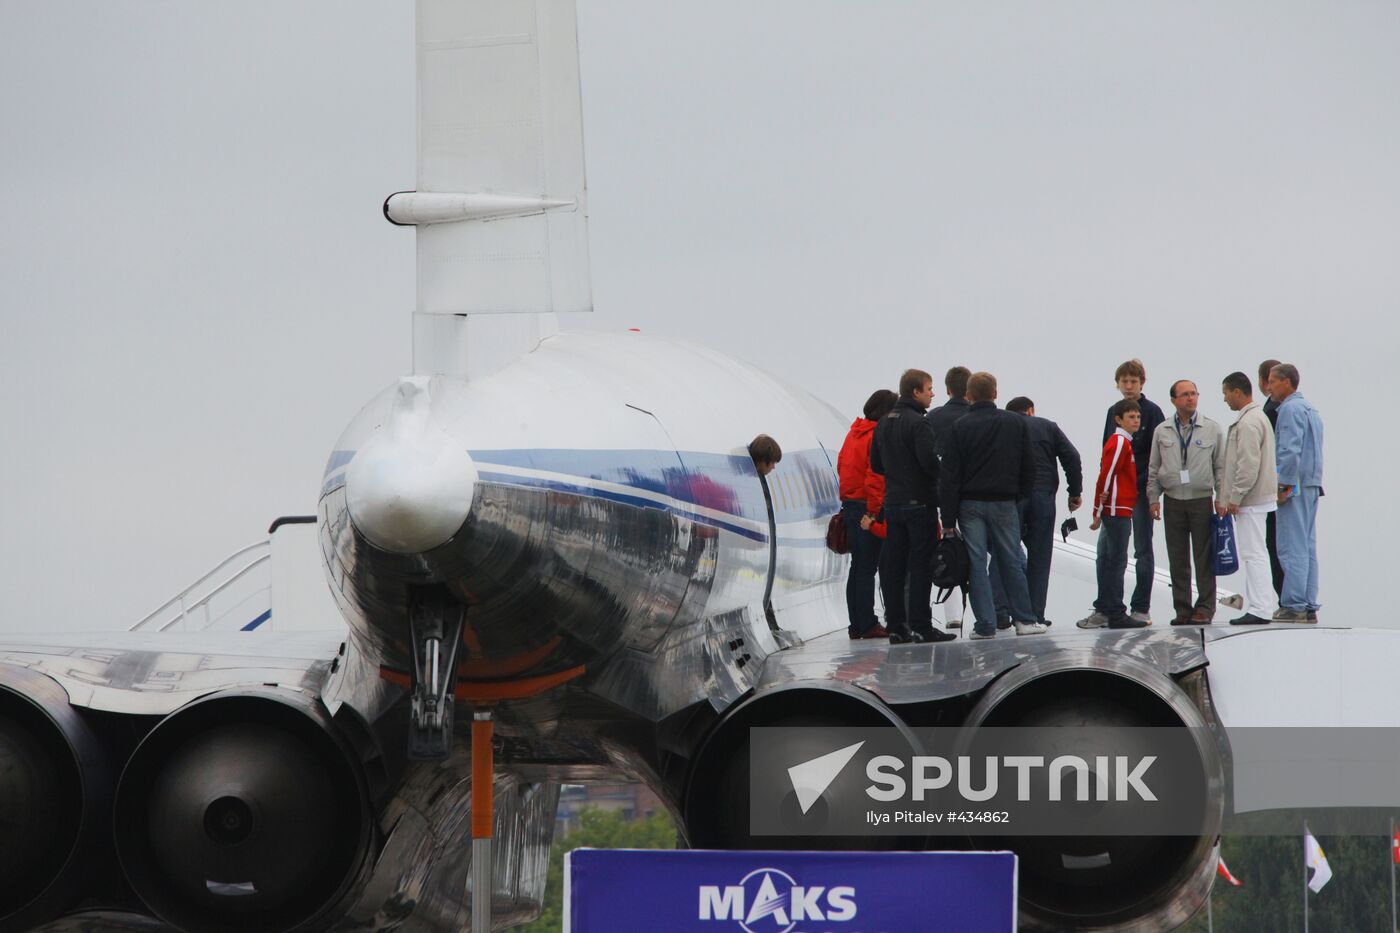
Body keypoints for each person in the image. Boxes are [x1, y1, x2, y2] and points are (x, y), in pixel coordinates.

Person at [939, 372, 1046, 639]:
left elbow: (950, 475)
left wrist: (948, 519)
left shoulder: (960, 427)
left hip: (969, 504)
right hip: (1004, 502)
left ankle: (985, 625)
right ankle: (1024, 620)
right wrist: (1018, 496)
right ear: (995, 393)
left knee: (976, 563)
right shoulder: (1015, 423)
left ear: (969, 396)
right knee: (1010, 560)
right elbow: (1029, 466)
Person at [869, 369, 956, 644]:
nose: (933, 393)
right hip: (920, 504)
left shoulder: (884, 423)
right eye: (929, 389)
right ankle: (921, 625)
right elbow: (929, 464)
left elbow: (876, 465)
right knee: (920, 566)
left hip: (894, 504)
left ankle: (896, 627)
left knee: (894, 567)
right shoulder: (919, 423)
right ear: (915, 392)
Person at [1146, 380, 1225, 624]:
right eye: (1185, 395)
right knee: (1177, 558)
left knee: (1204, 557)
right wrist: (1153, 498)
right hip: (1173, 501)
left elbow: (1220, 466)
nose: (1190, 398)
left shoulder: (1211, 428)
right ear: (1173, 400)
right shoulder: (1162, 430)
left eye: (1193, 394)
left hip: (1201, 499)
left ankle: (1205, 608)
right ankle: (1182, 609)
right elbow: (1154, 467)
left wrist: (1222, 497)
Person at [1002, 396, 1083, 626]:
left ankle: (1002, 613)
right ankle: (1035, 614)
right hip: (1043, 496)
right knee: (1039, 557)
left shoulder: (1005, 426)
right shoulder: (1048, 427)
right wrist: (1074, 491)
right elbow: (1072, 456)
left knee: (1006, 553)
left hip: (1013, 496)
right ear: (1030, 410)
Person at [1101, 360, 1166, 624]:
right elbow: (1107, 450)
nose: (1128, 386)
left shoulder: (1152, 412)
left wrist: (1147, 488)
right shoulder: (1112, 411)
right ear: (1117, 384)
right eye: (1124, 381)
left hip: (1140, 490)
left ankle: (1140, 607)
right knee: (1107, 549)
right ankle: (1106, 606)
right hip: (1116, 493)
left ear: (1142, 383)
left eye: (1133, 381)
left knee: (1142, 548)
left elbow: (1157, 454)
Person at [1079, 399, 1149, 629]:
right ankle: (1116, 613)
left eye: (1137, 417)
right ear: (1118, 420)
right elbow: (1106, 476)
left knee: (1112, 560)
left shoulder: (1124, 442)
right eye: (1130, 417)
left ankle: (1110, 608)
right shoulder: (1119, 442)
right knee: (1117, 561)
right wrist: (1098, 510)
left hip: (1118, 508)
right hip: (1116, 509)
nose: (1136, 421)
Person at [925, 366, 985, 629]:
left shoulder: (933, 417)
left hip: (937, 496)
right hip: (976, 495)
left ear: (948, 389)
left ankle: (953, 616)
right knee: (978, 555)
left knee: (946, 554)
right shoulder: (978, 418)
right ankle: (991, 614)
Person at [1219, 372, 1278, 625]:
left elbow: (1247, 465)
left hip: (1251, 499)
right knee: (1256, 552)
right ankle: (1260, 604)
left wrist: (1235, 496)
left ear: (1237, 392)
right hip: (1257, 497)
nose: (1225, 399)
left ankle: (1260, 608)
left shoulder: (1248, 422)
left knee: (1253, 553)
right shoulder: (1257, 417)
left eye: (1225, 393)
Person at [837, 390, 896, 639]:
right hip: (867, 506)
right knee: (868, 568)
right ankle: (868, 623)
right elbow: (875, 476)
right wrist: (874, 514)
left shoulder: (853, 434)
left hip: (851, 504)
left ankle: (856, 624)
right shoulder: (876, 436)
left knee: (858, 568)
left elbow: (841, 465)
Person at [1269, 363, 1324, 623]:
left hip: (1296, 485)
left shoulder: (1289, 409)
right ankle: (1309, 602)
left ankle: (1294, 603)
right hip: (1312, 483)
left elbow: (1289, 450)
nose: (1269, 387)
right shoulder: (1310, 409)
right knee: (1308, 544)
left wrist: (1284, 486)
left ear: (1286, 382)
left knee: (1292, 545)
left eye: (1273, 381)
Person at [1258, 359, 1285, 596]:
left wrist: (1281, 487)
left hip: (1278, 488)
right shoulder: (1279, 407)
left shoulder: (1274, 410)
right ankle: (1287, 598)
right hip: (1280, 486)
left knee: (1276, 544)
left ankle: (1286, 598)